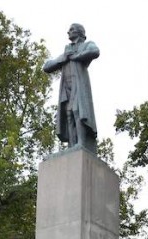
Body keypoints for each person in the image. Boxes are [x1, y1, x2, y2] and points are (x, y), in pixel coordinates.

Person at [42, 23, 100, 152]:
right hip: (66, 88)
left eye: (72, 29)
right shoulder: (67, 51)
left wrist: (77, 57)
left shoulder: (86, 45)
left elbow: (95, 51)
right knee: (68, 113)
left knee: (78, 111)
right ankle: (72, 145)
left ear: (80, 32)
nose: (68, 32)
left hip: (79, 85)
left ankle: (81, 143)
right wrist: (64, 57)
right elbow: (46, 67)